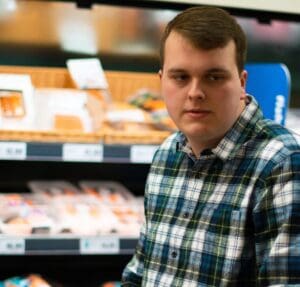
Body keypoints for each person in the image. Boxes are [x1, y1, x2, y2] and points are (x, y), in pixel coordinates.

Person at [122, 6, 300, 286]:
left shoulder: (282, 163)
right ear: (161, 82)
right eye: (180, 77)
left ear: (241, 83)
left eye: (214, 77)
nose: (195, 93)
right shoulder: (167, 154)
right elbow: (141, 272)